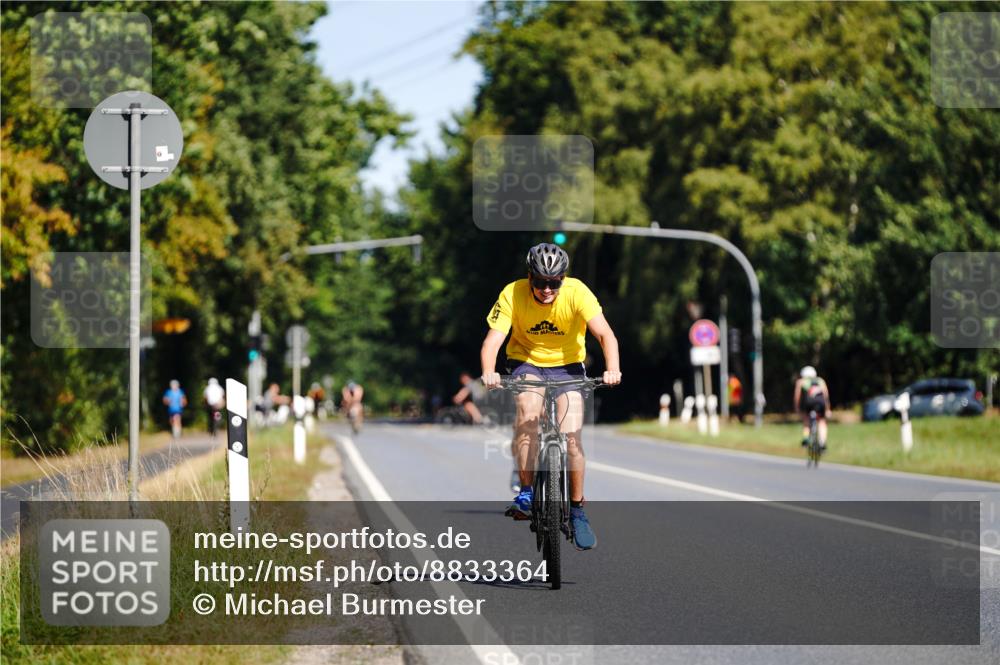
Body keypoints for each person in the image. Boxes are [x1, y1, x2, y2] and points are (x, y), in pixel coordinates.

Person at [480, 243, 621, 551]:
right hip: (526, 363)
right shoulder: (512, 294)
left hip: (568, 367)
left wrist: (613, 369)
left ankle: (578, 510)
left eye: (554, 282)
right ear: (529, 277)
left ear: (563, 278)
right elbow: (493, 341)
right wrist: (489, 371)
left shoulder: (577, 292)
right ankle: (527, 492)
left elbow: (605, 335)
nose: (546, 289)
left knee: (572, 438)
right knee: (528, 416)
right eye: (540, 282)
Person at [794, 366, 830, 452]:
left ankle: (806, 439)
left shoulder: (801, 381)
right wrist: (828, 409)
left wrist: (797, 407)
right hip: (821, 403)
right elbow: (826, 396)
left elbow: (797, 396)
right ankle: (822, 443)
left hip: (808, 403)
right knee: (822, 422)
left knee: (806, 418)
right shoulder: (820, 380)